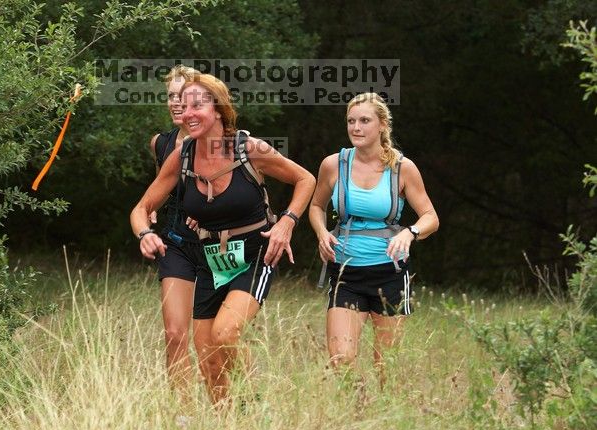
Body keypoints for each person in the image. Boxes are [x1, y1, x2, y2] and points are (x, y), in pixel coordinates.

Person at [131, 73, 315, 405]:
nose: (187, 113)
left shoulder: (248, 148)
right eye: (183, 106)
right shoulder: (183, 155)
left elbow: (305, 178)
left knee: (225, 333)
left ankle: (252, 400)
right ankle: (230, 422)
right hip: (209, 259)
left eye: (197, 105)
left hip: (253, 255)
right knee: (208, 360)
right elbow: (141, 208)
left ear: (218, 109)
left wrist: (287, 223)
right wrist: (145, 232)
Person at [308, 92, 439, 388]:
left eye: (364, 121)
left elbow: (431, 217)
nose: (356, 127)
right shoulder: (334, 164)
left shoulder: (402, 168)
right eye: (351, 121)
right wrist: (321, 232)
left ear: (381, 125)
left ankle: (385, 421)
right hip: (346, 273)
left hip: (389, 273)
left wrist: (410, 231)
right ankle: (357, 410)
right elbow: (316, 206)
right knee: (341, 359)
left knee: (386, 368)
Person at [148, 65, 201, 393]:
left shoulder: (220, 141)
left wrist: (211, 211)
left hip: (220, 246)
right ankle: (182, 413)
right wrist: (150, 212)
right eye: (171, 96)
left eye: (184, 97)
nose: (177, 103)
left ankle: (237, 403)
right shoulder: (160, 143)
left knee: (217, 336)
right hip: (177, 243)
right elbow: (160, 188)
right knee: (175, 333)